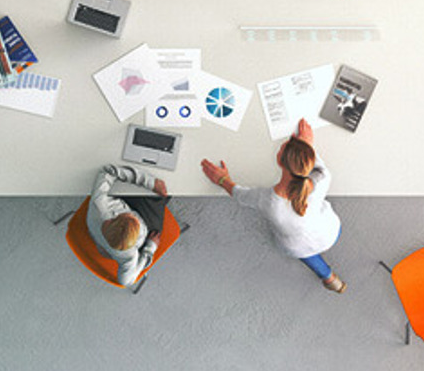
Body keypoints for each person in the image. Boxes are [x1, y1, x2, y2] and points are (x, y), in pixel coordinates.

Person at [201, 118, 345, 292]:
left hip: (297, 246)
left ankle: (329, 278)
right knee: (306, 246)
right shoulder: (323, 178)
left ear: (279, 162)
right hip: (329, 234)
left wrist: (222, 179)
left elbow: (238, 194)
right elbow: (314, 163)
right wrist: (307, 145)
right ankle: (330, 281)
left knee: (303, 251)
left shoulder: (268, 201)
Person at [87, 164, 171, 287]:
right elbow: (126, 281)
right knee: (163, 194)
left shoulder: (99, 205)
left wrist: (150, 182)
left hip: (104, 237)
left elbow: (107, 171)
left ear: (111, 220)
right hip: (144, 229)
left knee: (143, 189)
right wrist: (149, 249)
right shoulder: (129, 256)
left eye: (129, 217)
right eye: (136, 222)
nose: (135, 217)